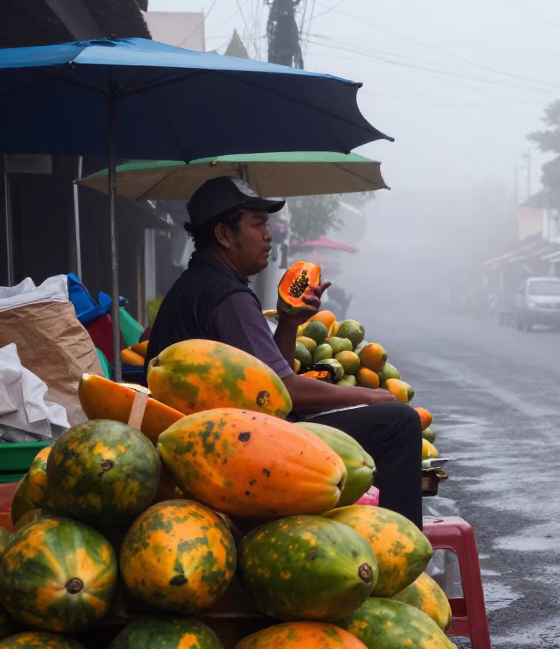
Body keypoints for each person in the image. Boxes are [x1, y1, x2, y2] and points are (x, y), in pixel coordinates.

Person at [145, 176, 423, 525]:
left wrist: (289, 321)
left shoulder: (197, 284)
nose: (268, 235)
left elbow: (269, 385)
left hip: (215, 437)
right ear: (224, 235)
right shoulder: (226, 296)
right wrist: (369, 397)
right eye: (258, 224)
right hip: (231, 448)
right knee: (398, 422)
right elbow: (286, 390)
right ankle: (399, 544)